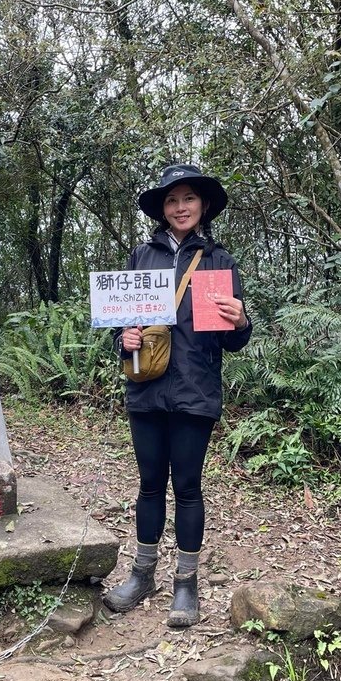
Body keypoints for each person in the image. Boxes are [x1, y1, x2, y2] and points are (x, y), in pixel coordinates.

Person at [103, 162, 251, 627]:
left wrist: (240, 320)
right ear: (162, 209)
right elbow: (119, 328)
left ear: (203, 205)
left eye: (188, 198)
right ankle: (142, 573)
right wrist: (121, 341)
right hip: (145, 387)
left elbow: (233, 340)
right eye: (171, 200)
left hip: (194, 389)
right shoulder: (140, 257)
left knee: (187, 487)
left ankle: (186, 584)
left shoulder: (219, 261)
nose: (180, 206)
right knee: (149, 484)